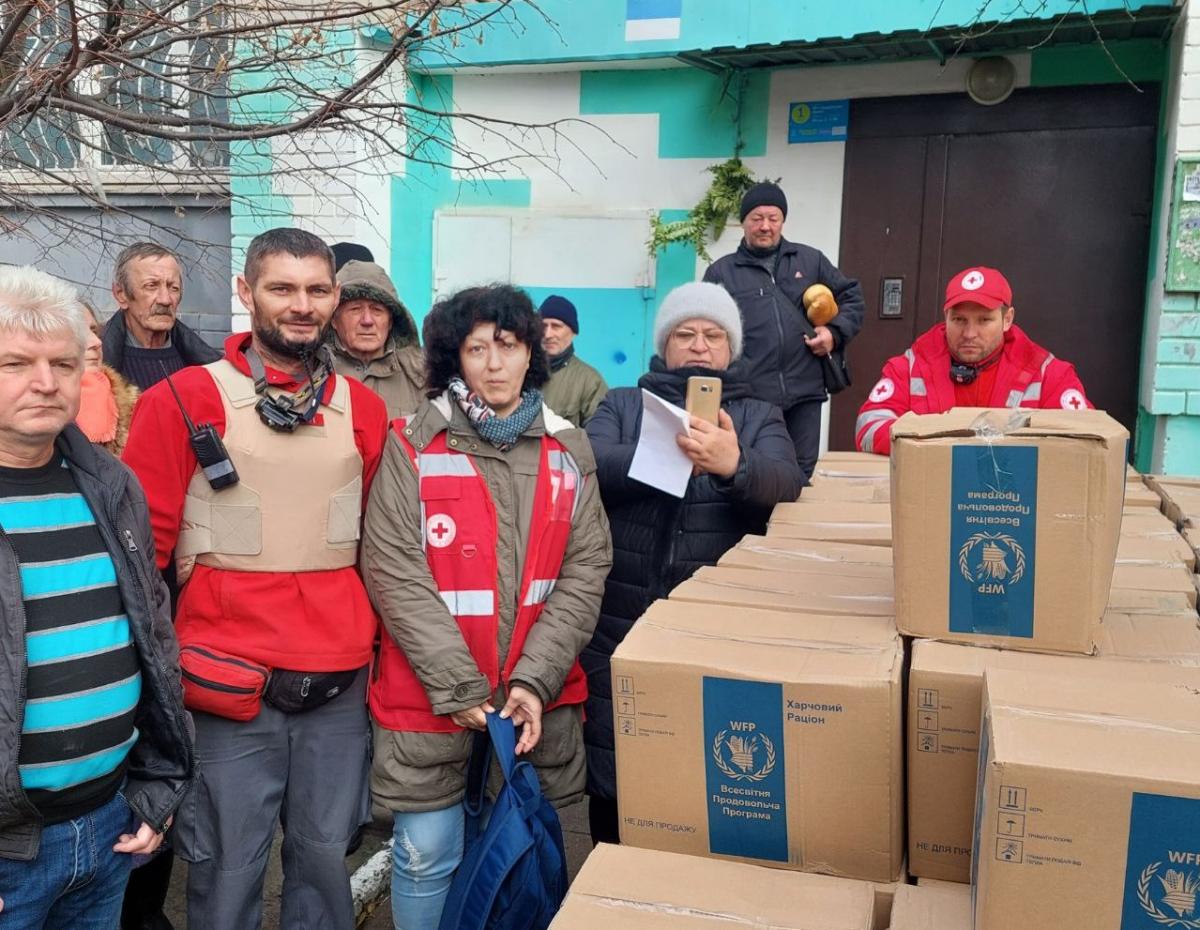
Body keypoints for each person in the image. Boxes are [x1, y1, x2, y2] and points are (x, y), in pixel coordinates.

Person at [121, 228, 390, 930]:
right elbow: (142, 560)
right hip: (224, 687)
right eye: (282, 288)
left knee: (325, 863)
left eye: (316, 289)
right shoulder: (181, 399)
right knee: (225, 871)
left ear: (334, 297)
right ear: (246, 293)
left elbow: (385, 551)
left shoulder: (365, 411)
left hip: (339, 683)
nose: (302, 305)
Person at [360, 284, 611, 930]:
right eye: (477, 349)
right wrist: (458, 683)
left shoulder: (569, 449)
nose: (494, 363)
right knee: (427, 857)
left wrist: (533, 678)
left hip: (537, 704)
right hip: (433, 698)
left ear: (532, 353)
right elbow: (392, 569)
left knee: (521, 861)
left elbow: (586, 570)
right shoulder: (412, 445)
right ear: (454, 358)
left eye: (508, 345)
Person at [0, 266, 193, 929]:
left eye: (61, 362)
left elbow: (151, 641)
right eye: (15, 363)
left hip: (109, 825)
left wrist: (155, 788)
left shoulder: (111, 484)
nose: (46, 381)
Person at [582, 281, 803, 845]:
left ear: (731, 349)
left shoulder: (757, 414)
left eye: (712, 335)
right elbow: (588, 463)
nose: (699, 347)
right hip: (622, 619)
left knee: (706, 769)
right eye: (686, 334)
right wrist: (667, 456)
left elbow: (787, 482)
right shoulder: (625, 403)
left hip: (718, 627)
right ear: (664, 345)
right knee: (618, 770)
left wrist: (735, 465)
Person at [703, 181, 864, 481]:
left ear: (782, 221)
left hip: (805, 392)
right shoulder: (721, 272)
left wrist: (834, 332)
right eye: (756, 218)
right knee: (755, 471)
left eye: (773, 218)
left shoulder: (810, 260)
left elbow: (852, 296)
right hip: (751, 397)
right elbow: (704, 328)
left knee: (803, 472)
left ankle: (792, 528)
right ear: (743, 223)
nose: (765, 226)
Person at [855, 266, 1092, 455]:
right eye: (959, 320)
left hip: (1011, 507)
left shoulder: (1048, 373)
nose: (969, 333)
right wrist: (935, 443)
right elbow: (868, 428)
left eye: (984, 320)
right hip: (929, 498)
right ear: (945, 317)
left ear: (1007, 319)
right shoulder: (908, 367)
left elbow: (1087, 438)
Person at [102, 242, 221, 391]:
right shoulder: (95, 365)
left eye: (173, 288)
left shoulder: (209, 368)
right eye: (151, 285)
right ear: (121, 295)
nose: (165, 299)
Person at [328, 260, 425, 418]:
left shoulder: (420, 375)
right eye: (355, 309)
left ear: (390, 322)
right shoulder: (314, 370)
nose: (367, 320)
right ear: (334, 320)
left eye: (377, 310)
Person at [77, 301, 139, 457]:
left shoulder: (135, 407)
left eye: (94, 331)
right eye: (76, 332)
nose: (96, 342)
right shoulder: (29, 412)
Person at [538, 295, 608, 427]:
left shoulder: (590, 382)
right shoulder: (521, 371)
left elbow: (599, 436)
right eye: (543, 326)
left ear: (573, 332)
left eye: (556, 326)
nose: (547, 334)